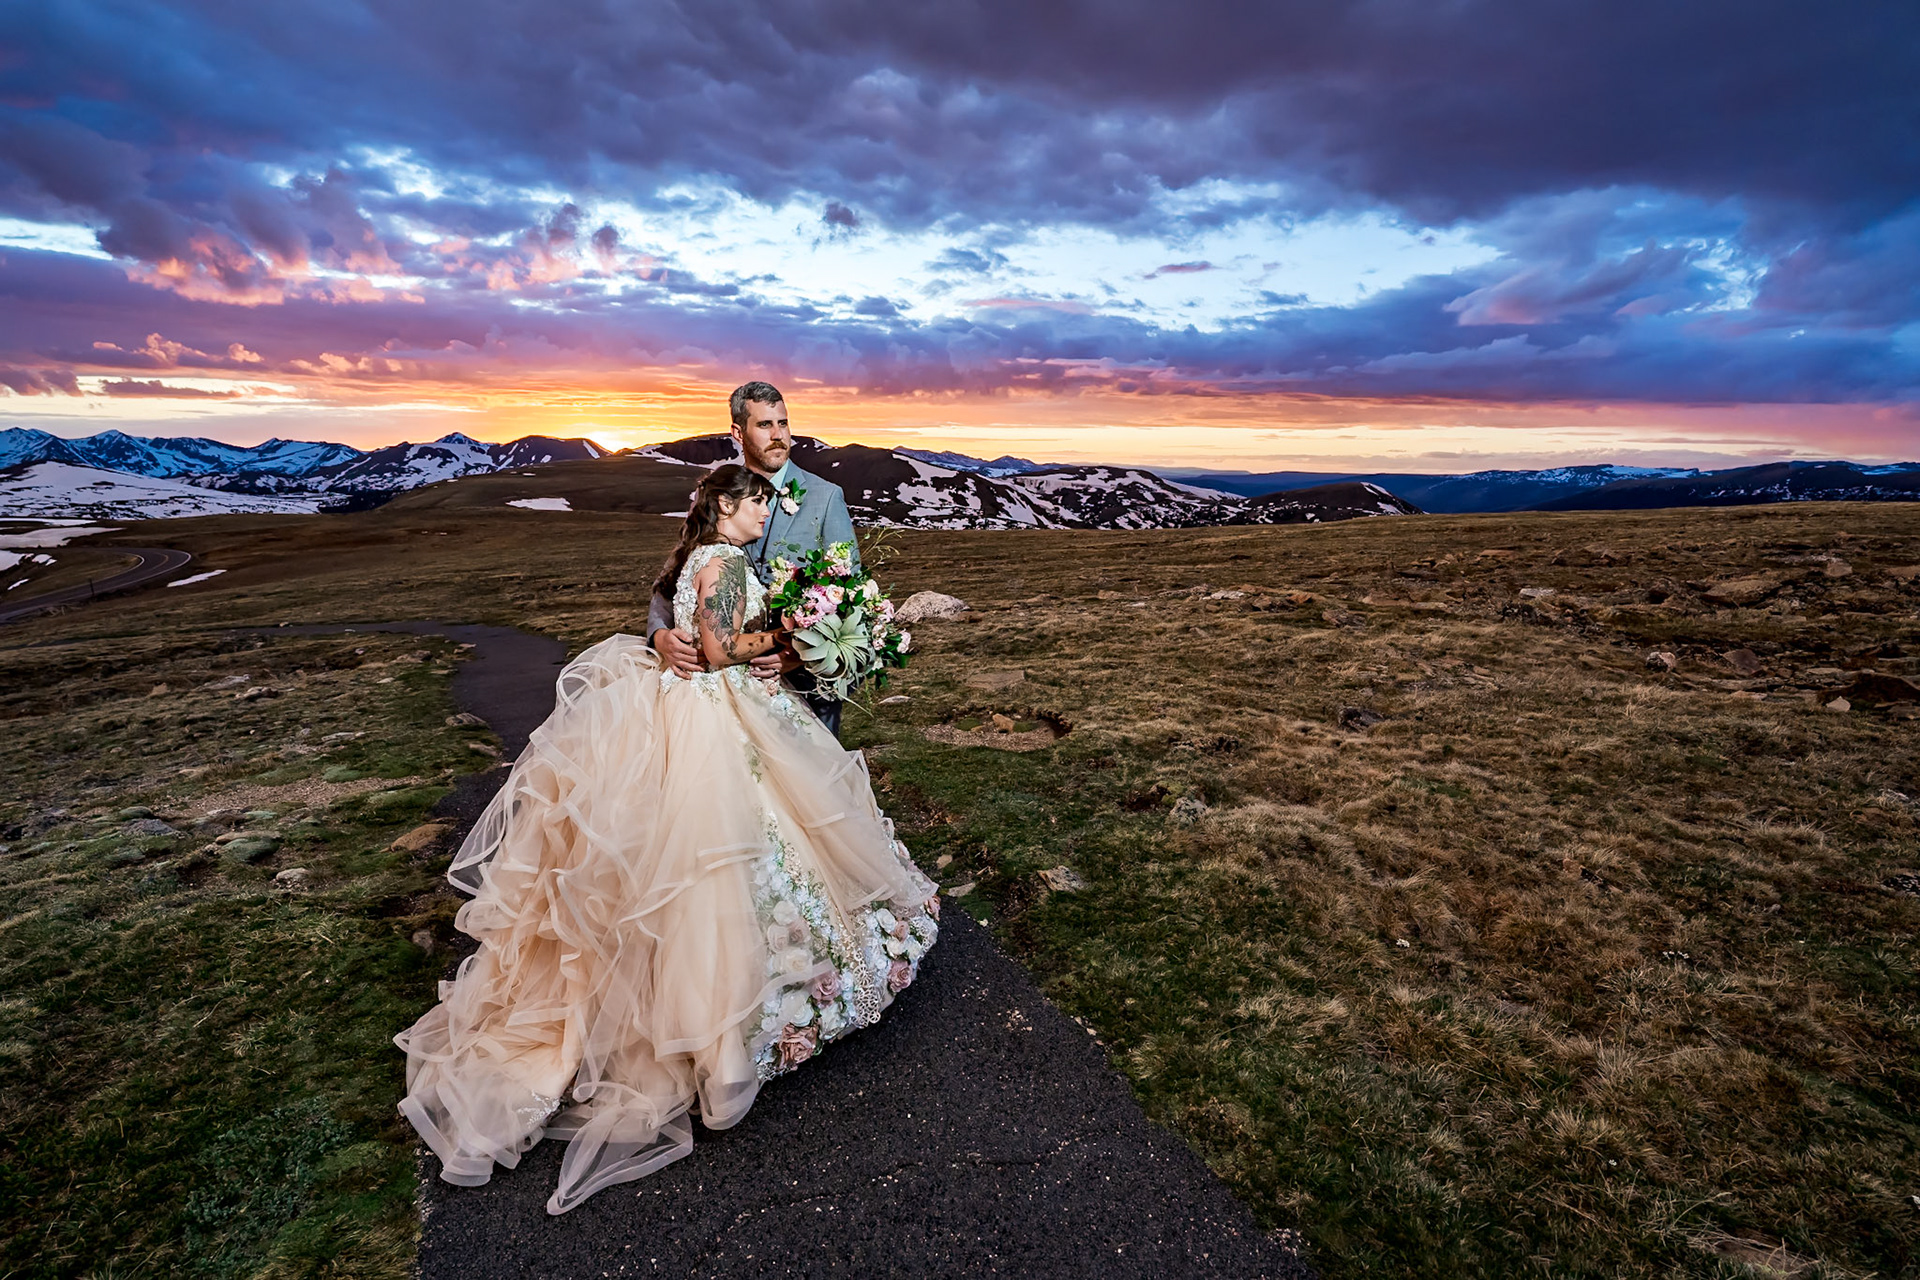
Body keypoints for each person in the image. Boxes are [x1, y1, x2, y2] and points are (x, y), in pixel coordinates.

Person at [393, 464, 940, 1215]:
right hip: (713, 714)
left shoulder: (704, 557)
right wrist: (789, 633)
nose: (765, 512)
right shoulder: (724, 562)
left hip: (695, 705)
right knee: (726, 853)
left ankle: (710, 1016)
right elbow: (717, 651)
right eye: (755, 503)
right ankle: (720, 1035)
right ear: (727, 505)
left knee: (718, 852)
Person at [649, 381, 859, 737]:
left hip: (802, 692)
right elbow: (673, 577)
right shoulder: (715, 493)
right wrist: (659, 636)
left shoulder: (825, 498)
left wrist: (797, 654)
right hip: (717, 699)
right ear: (738, 433)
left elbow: (850, 597)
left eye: (783, 423)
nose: (779, 436)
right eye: (764, 425)